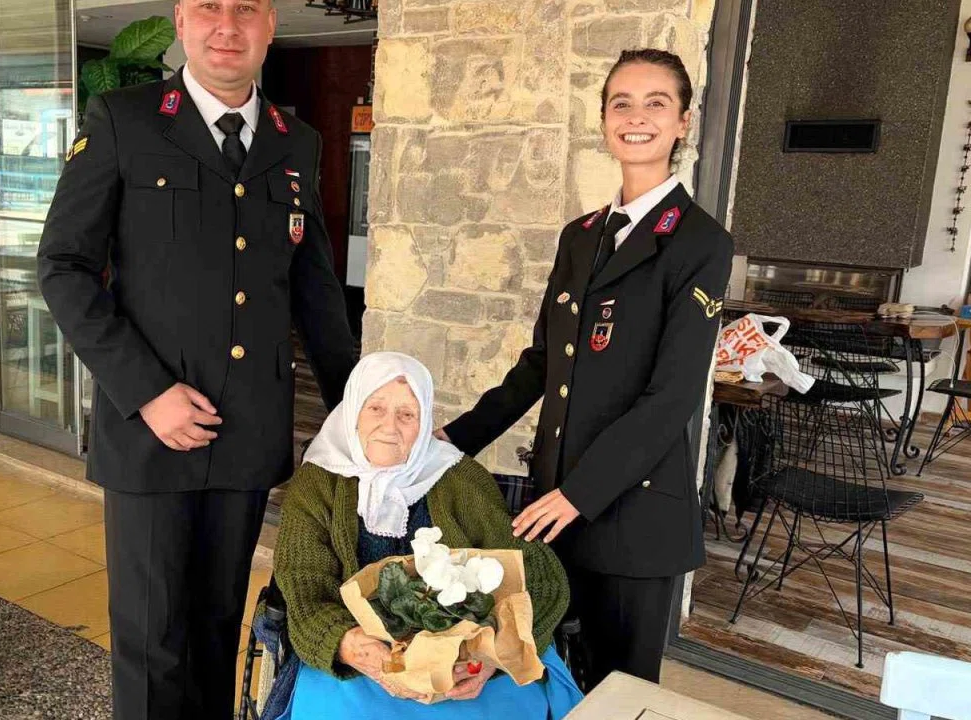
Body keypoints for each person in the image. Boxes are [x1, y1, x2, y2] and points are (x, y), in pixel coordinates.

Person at [36, 0, 356, 717]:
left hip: (245, 433)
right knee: (152, 645)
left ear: (270, 25)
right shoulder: (124, 119)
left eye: (246, 9)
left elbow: (315, 290)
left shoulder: (295, 141)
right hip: (150, 432)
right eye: (208, 6)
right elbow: (63, 266)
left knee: (217, 631)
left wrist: (358, 406)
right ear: (181, 21)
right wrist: (149, 392)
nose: (226, 25)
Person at [437, 48, 735, 687]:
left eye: (656, 103)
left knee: (616, 693)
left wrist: (579, 494)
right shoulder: (581, 235)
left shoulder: (701, 242)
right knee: (543, 680)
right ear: (604, 120)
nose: (636, 117)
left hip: (631, 518)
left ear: (683, 121)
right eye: (621, 103)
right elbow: (542, 363)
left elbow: (672, 397)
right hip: (555, 508)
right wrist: (452, 440)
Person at [271, 352, 582, 719]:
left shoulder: (459, 478)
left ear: (425, 424)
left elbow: (540, 577)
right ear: (352, 411)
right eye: (375, 408)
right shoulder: (316, 483)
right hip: (357, 661)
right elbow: (304, 588)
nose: (390, 427)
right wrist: (359, 651)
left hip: (466, 663)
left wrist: (490, 658)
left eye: (407, 414)